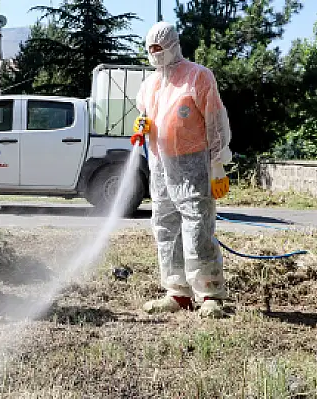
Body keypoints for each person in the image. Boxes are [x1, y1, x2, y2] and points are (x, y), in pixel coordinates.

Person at [131, 22, 232, 318]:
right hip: (160, 164)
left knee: (198, 225)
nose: (154, 54)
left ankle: (209, 292)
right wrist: (143, 125)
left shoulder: (198, 76)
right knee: (165, 225)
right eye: (150, 49)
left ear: (173, 45)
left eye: (158, 48)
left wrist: (216, 164)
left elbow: (215, 121)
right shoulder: (149, 84)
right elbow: (146, 114)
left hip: (194, 164)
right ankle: (177, 292)